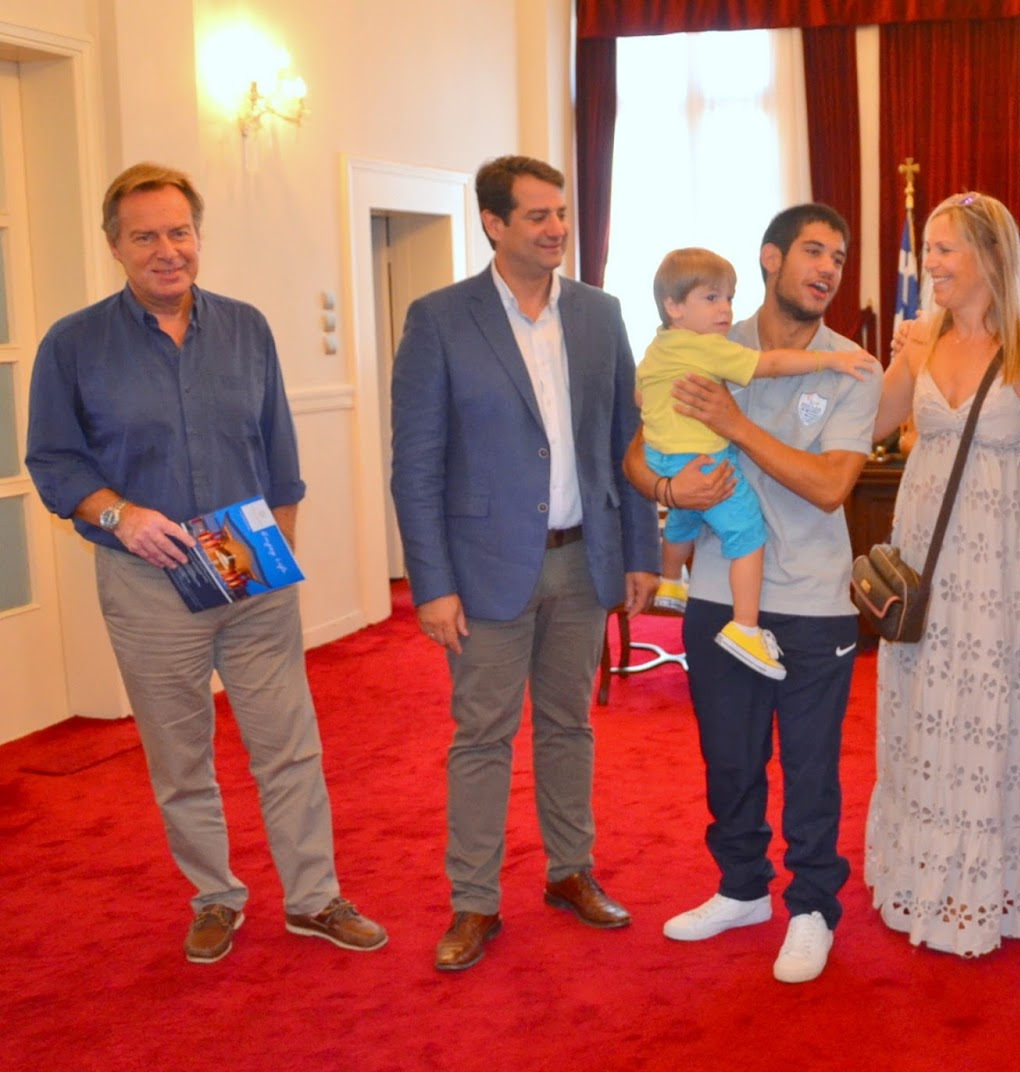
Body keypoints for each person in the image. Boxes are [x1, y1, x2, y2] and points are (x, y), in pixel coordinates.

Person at [25, 163, 387, 964]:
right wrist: (120, 516)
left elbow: (279, 449)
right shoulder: (73, 345)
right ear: (114, 246)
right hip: (147, 584)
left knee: (289, 745)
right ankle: (216, 896)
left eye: (179, 232)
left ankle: (314, 896)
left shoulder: (246, 328)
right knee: (181, 755)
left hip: (251, 574)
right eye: (145, 236)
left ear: (198, 236)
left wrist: (279, 547)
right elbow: (53, 461)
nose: (168, 250)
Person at [389, 155, 660, 972]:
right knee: (482, 736)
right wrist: (432, 585)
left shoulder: (600, 314)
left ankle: (571, 870)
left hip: (583, 562)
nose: (556, 229)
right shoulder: (440, 319)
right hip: (483, 572)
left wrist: (639, 550)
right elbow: (416, 465)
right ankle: (474, 900)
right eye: (538, 216)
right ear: (494, 224)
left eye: (561, 213)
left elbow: (628, 442)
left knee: (570, 725)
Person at [622, 204, 881, 984]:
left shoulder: (851, 366)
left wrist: (734, 424)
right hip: (716, 595)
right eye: (814, 251)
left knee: (810, 767)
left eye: (838, 257)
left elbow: (830, 486)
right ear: (772, 258)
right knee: (729, 759)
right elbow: (639, 453)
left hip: (813, 601)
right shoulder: (706, 339)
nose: (828, 268)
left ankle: (811, 908)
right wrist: (669, 487)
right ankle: (741, 889)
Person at [863, 191, 1020, 958]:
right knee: (922, 715)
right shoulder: (921, 340)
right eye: (928, 248)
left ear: (989, 256)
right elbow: (869, 424)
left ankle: (984, 887)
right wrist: (873, 358)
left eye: (945, 248)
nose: (932, 263)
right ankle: (919, 876)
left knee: (989, 724)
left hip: (998, 570)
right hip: (923, 564)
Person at [637, 247, 876, 679]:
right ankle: (745, 627)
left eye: (728, 298)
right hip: (705, 459)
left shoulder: (658, 347)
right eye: (711, 298)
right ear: (674, 306)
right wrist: (829, 360)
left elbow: (641, 397)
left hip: (664, 457)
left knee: (684, 517)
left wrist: (667, 482)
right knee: (747, 534)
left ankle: (671, 579)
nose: (724, 309)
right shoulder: (709, 349)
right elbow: (772, 364)